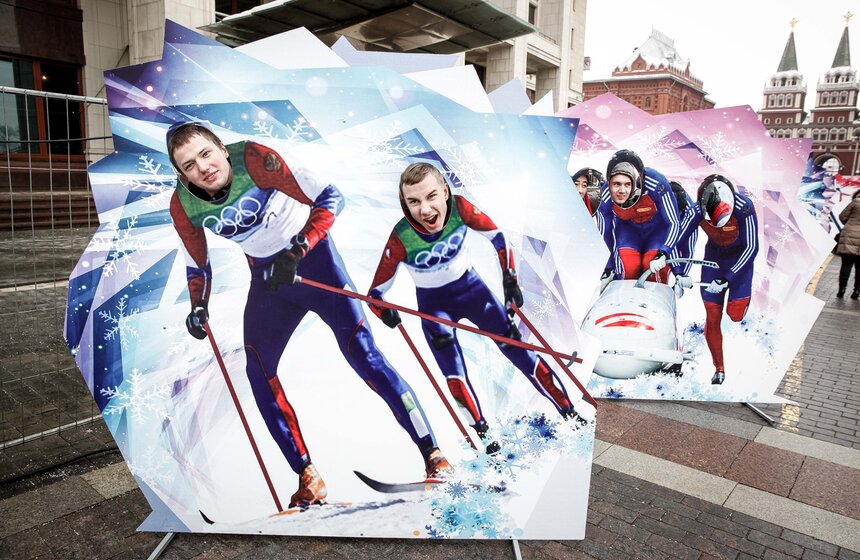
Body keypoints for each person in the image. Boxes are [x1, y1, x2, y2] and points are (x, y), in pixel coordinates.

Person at [166, 122, 450, 508]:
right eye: (188, 165)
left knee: (363, 355)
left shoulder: (255, 158)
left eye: (206, 153)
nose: (202, 167)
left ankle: (434, 455)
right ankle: (308, 477)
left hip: (314, 262)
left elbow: (331, 197)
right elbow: (197, 265)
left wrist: (299, 248)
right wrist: (199, 308)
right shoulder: (183, 205)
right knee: (258, 369)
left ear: (221, 148)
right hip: (269, 281)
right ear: (181, 174)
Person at [367, 163, 585, 453]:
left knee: (519, 350)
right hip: (434, 309)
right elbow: (375, 294)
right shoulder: (401, 237)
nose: (426, 210)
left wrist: (510, 281)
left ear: (445, 191)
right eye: (414, 202)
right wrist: (385, 312)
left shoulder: (459, 207)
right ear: (404, 203)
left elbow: (497, 236)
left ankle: (569, 412)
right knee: (454, 374)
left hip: (473, 292)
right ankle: (485, 437)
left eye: (431, 196)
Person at [675, 174, 759, 385]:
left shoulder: (744, 207)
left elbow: (751, 247)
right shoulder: (696, 211)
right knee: (713, 314)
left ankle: (739, 298)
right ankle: (719, 368)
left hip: (739, 259)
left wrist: (729, 277)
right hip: (715, 259)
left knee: (735, 314)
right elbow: (677, 238)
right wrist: (679, 272)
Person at [595, 149, 681, 291]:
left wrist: (664, 252)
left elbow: (673, 222)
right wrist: (609, 267)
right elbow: (604, 231)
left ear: (641, 176)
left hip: (656, 233)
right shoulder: (605, 194)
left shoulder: (657, 183)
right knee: (627, 265)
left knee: (653, 265)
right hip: (628, 233)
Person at [667, 180, 698, 295]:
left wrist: (681, 275)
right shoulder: (659, 203)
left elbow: (689, 249)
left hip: (684, 226)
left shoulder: (691, 212)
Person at [836, 190, 860, 299]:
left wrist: (849, 223)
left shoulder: (855, 202)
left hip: (849, 236)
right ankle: (857, 291)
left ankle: (842, 289)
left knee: (846, 264)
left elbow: (842, 216)